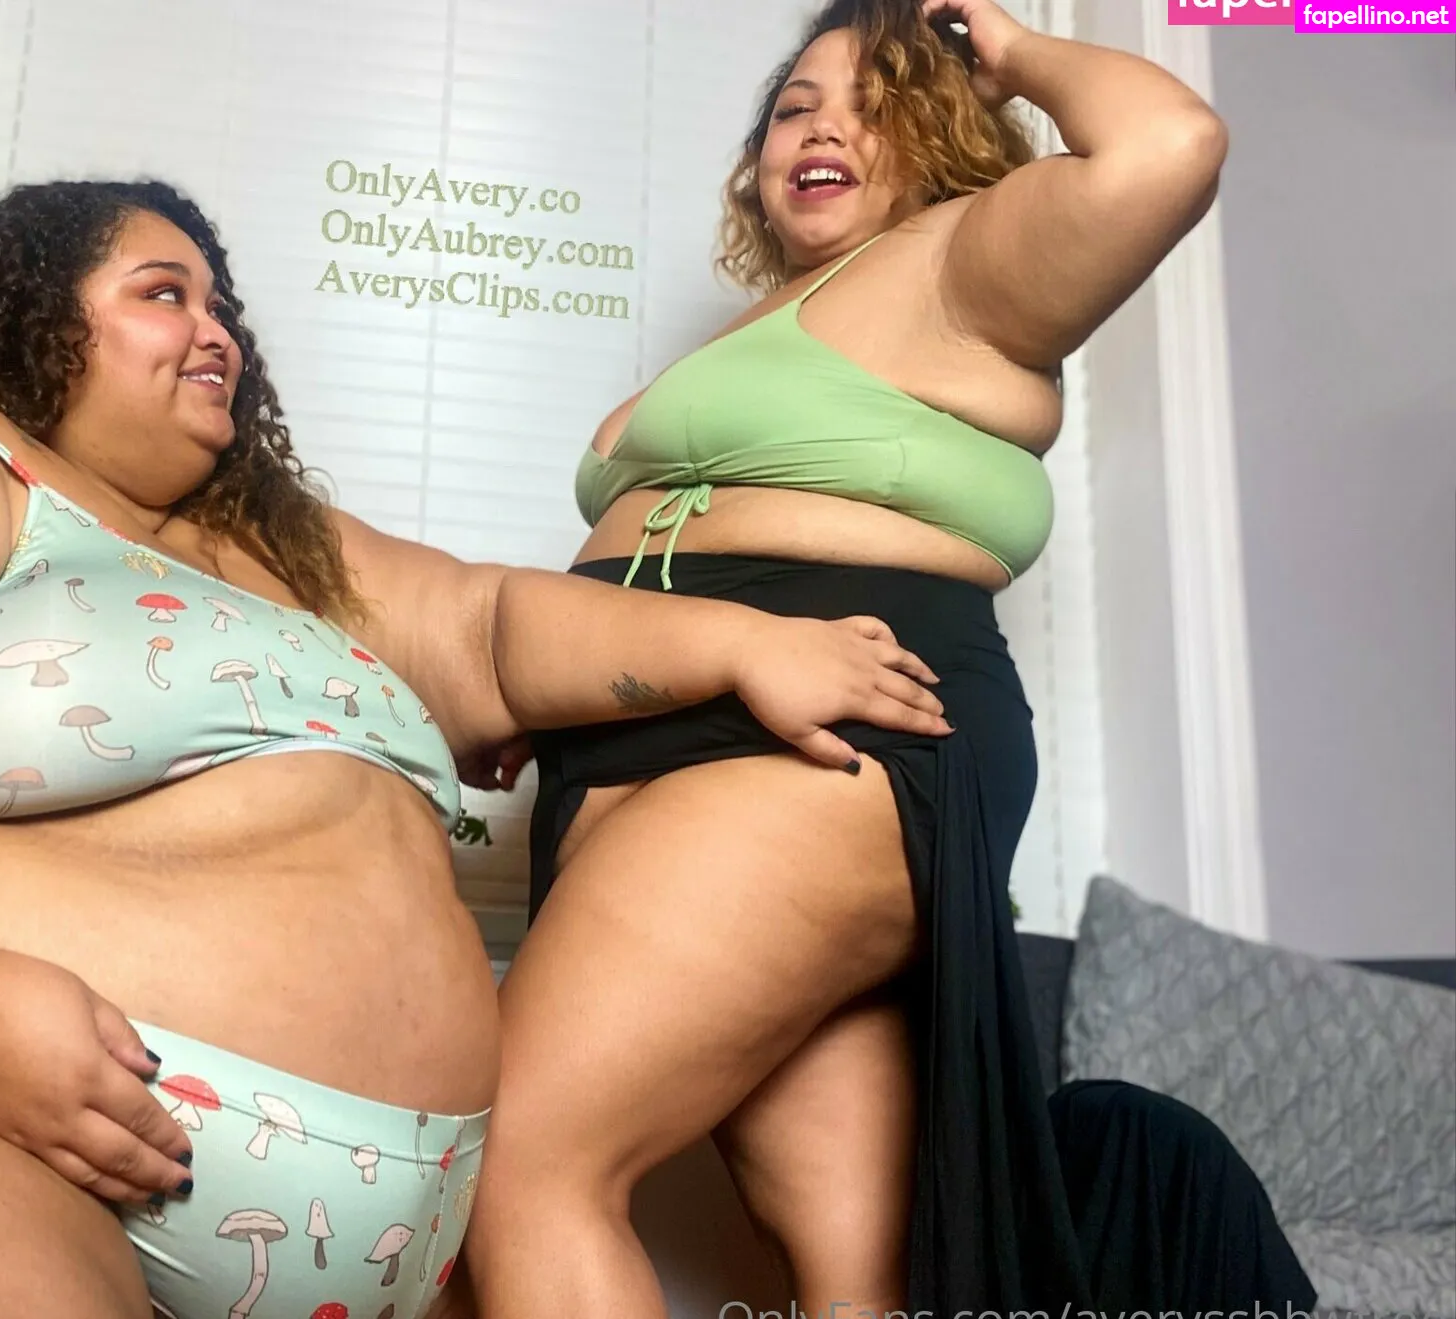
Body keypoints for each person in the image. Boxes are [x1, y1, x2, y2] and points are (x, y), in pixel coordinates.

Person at [0, 179, 952, 1319]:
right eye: (163, 293)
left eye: (222, 305)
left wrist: (743, 643)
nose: (215, 330)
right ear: (24, 310)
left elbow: (488, 631)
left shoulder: (270, 548)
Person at [464, 0, 1317, 1313]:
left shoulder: (964, 257)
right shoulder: (771, 319)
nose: (822, 129)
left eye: (880, 102)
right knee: (856, 1268)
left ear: (947, 133)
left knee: (522, 1156)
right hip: (657, 727)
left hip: (827, 716)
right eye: (795, 107)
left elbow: (1170, 144)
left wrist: (1004, 48)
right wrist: (565, 671)